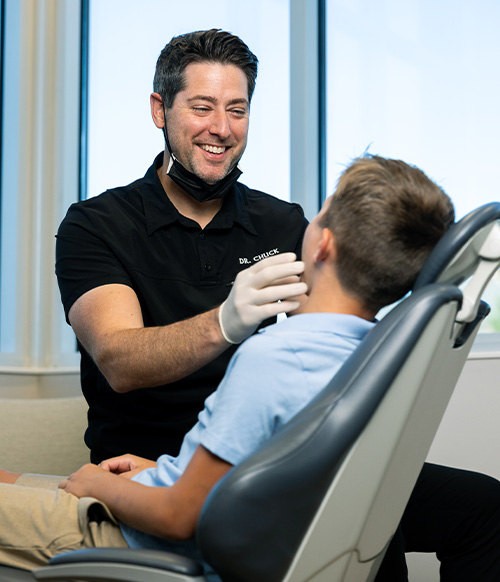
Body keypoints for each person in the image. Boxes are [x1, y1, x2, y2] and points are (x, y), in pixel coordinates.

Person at [2, 155, 500, 581]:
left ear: (322, 245)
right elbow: (280, 466)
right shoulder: (374, 353)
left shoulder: (275, 355)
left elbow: (179, 517)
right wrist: (166, 471)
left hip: (142, 530)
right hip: (180, 489)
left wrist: (101, 486)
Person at [55, 29, 308, 464]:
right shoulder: (96, 224)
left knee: (465, 505)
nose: (222, 129)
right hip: (143, 472)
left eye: (237, 110)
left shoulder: (282, 224)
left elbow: (327, 345)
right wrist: (227, 320)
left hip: (261, 469)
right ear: (160, 110)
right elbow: (119, 361)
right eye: (202, 108)